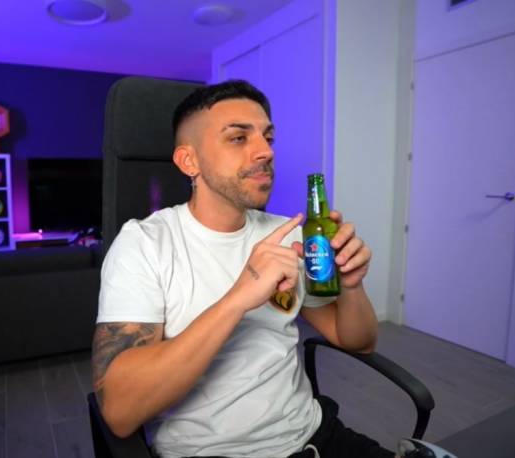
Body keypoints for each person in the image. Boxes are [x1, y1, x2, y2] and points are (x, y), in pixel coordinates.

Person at [92, 80, 393, 458]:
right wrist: (238, 299)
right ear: (189, 161)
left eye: (268, 137)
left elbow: (358, 341)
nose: (266, 151)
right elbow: (119, 412)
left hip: (315, 435)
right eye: (238, 138)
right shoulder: (145, 244)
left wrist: (350, 284)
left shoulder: (286, 234)